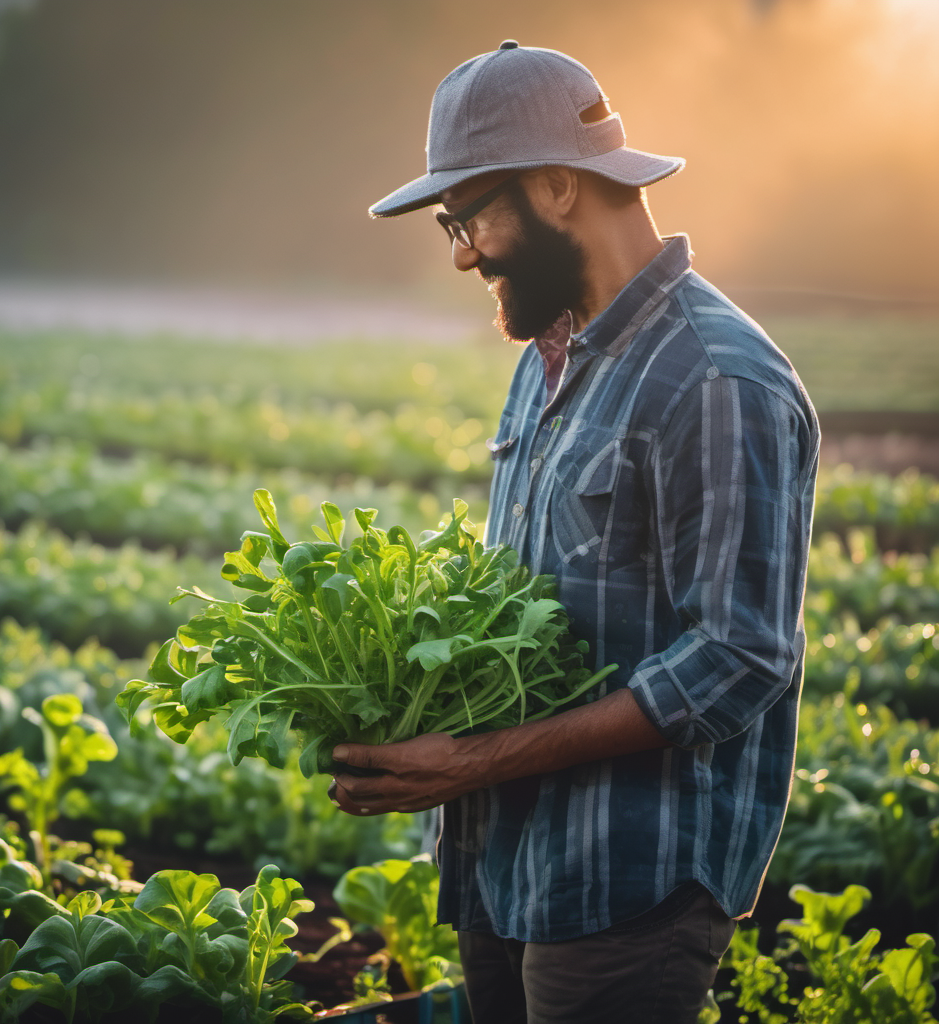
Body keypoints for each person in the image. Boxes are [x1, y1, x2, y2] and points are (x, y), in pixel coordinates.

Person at [329, 41, 819, 1024]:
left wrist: (470, 761)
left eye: (467, 217)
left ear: (557, 187)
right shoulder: (549, 353)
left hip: (624, 883)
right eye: (449, 223)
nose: (462, 251)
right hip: (507, 860)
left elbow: (736, 659)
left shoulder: (716, 379)